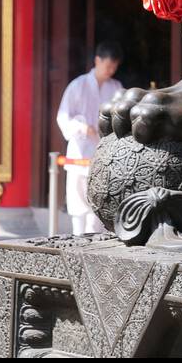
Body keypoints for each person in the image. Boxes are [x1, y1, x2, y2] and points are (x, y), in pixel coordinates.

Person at [56, 42, 123, 234]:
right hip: (79, 151)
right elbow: (63, 116)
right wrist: (82, 128)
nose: (110, 71)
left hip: (104, 154)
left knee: (100, 202)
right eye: (108, 66)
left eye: (114, 67)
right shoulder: (78, 85)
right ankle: (78, 240)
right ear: (97, 60)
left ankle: (94, 245)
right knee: (78, 204)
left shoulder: (116, 87)